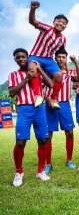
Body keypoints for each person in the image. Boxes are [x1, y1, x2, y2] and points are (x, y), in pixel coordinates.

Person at [8, 48, 53, 187]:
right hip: (24, 109)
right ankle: (19, 172)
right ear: (15, 59)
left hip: (39, 108)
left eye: (23, 57)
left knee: (43, 140)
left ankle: (40, 171)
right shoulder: (14, 74)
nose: (21, 59)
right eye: (18, 57)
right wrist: (27, 78)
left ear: (28, 57)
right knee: (20, 142)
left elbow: (51, 84)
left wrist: (39, 69)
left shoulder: (37, 72)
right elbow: (12, 92)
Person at [43, 48, 79, 174]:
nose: (61, 59)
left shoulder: (69, 72)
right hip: (51, 103)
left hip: (64, 104)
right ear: (55, 58)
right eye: (58, 57)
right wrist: (48, 99)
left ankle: (69, 160)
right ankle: (48, 163)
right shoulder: (49, 72)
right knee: (48, 134)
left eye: (63, 57)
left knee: (69, 132)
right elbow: (42, 88)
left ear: (66, 58)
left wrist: (76, 63)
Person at [28, 1, 68, 108]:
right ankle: (38, 95)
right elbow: (33, 21)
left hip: (49, 60)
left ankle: (53, 98)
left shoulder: (63, 39)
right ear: (54, 22)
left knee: (59, 75)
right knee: (32, 67)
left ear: (65, 27)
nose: (61, 24)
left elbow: (61, 53)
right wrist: (33, 9)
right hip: (36, 55)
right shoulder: (46, 28)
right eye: (59, 21)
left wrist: (63, 66)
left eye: (64, 23)